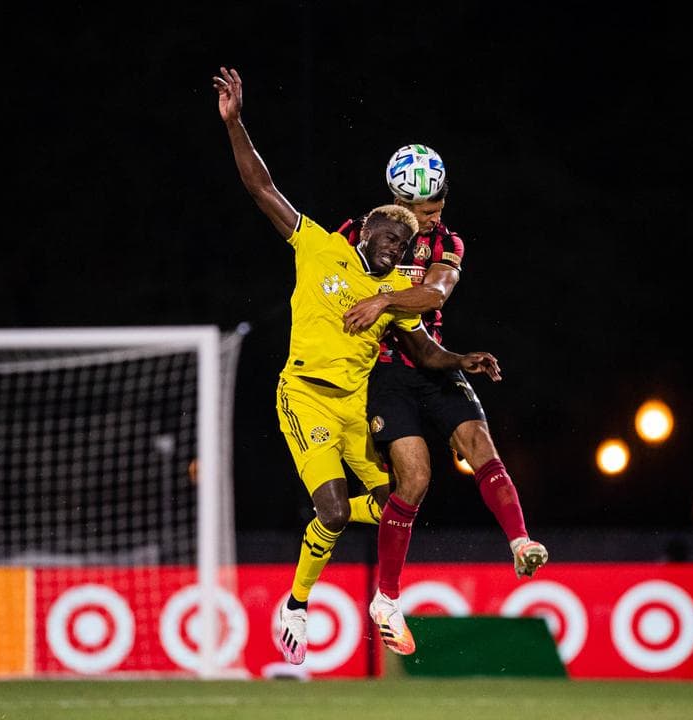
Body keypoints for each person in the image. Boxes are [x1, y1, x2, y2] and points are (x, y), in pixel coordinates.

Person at [213, 67, 504, 666]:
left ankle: (386, 603)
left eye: (403, 243)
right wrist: (237, 123)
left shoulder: (396, 287)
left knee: (404, 496)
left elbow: (423, 350)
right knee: (335, 509)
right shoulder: (321, 245)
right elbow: (262, 189)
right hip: (305, 396)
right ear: (362, 229)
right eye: (386, 233)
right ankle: (295, 604)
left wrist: (463, 360)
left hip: (353, 407)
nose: (394, 245)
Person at [337, 158, 547, 656]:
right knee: (414, 479)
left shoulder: (447, 243)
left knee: (478, 440)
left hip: (430, 359)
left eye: (438, 206)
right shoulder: (358, 233)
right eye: (422, 209)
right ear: (397, 202)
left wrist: (384, 302)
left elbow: (435, 293)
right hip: (382, 373)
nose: (433, 217)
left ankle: (521, 543)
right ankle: (386, 600)